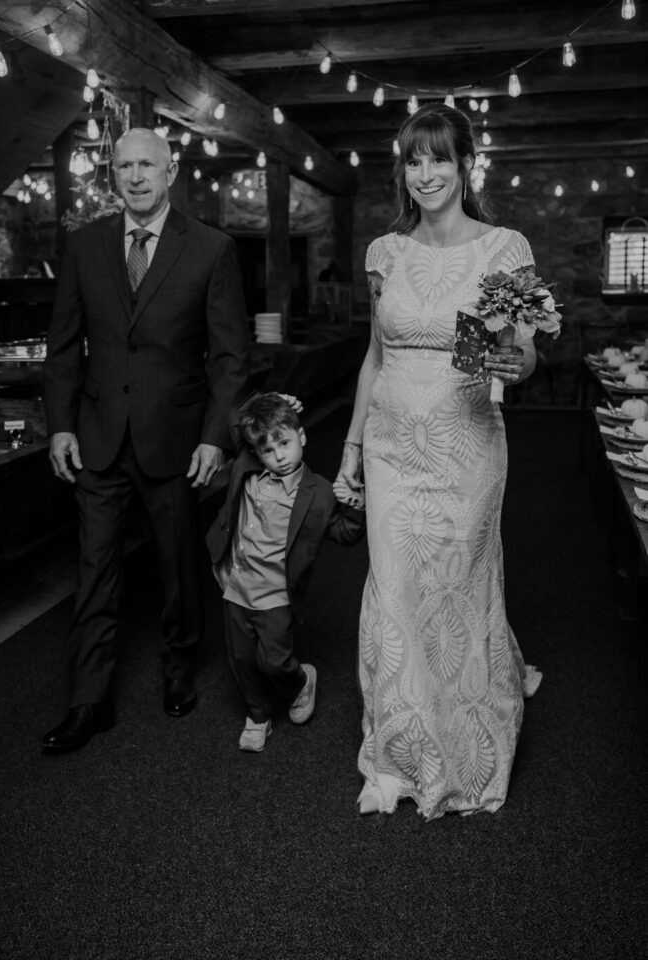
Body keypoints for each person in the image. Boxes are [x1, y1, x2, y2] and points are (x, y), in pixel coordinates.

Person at [336, 103, 542, 817]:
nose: (424, 174)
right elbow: (372, 357)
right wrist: (352, 448)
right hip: (393, 443)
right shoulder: (383, 254)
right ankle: (398, 753)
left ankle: (464, 746)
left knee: (453, 588)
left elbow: (523, 349)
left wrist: (517, 362)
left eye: (437, 159)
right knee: (392, 590)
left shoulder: (503, 249)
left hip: (467, 444)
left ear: (464, 165)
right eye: (412, 160)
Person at [42, 127, 249, 754]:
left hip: (177, 439)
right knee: (95, 568)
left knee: (177, 564)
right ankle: (88, 701)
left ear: (171, 170)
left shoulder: (211, 249)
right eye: (124, 165)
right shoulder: (85, 246)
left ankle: (180, 665)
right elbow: (62, 348)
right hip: (98, 438)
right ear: (114, 173)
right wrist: (59, 424)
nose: (135, 176)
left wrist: (216, 438)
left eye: (147, 166)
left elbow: (230, 358)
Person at [205, 393, 366, 752]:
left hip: (277, 594)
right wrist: (268, 400)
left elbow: (345, 533)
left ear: (302, 437)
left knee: (274, 661)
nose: (278, 455)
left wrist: (356, 502)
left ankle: (301, 681)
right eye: (268, 449)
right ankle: (258, 714)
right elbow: (236, 421)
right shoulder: (248, 467)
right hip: (236, 586)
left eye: (285, 443)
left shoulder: (319, 492)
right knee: (243, 659)